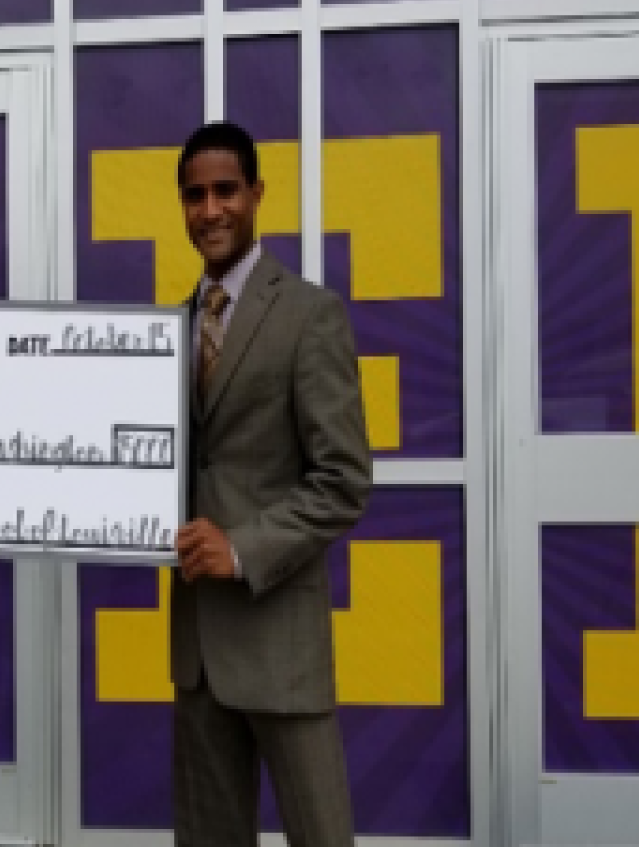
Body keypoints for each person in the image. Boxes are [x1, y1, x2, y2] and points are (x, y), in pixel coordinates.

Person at [170, 120, 372, 847]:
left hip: (280, 641)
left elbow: (344, 479)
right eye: (195, 195)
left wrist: (242, 548)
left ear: (256, 193)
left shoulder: (309, 314)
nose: (211, 208)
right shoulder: (171, 328)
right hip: (198, 653)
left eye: (226, 190)